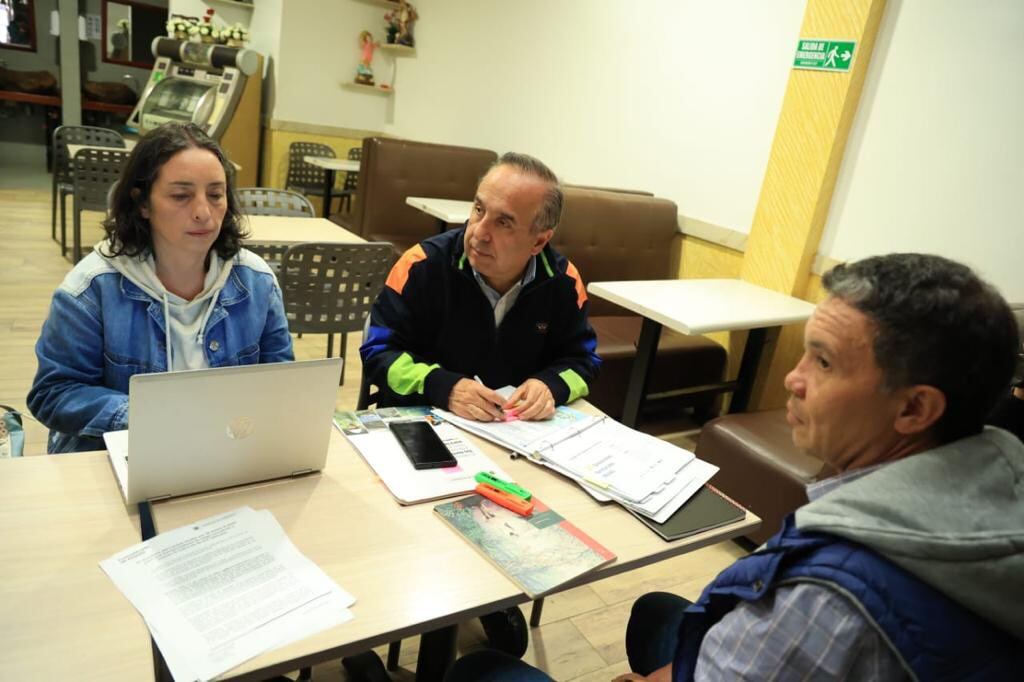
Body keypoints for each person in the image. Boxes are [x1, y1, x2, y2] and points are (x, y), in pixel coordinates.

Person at [446, 253, 1024, 681]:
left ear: (916, 408)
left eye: (822, 362)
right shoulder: (997, 479)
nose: (793, 380)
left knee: (480, 673)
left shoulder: (829, 598)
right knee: (657, 613)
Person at [28, 122, 293, 454]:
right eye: (181, 196)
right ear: (142, 203)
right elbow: (53, 393)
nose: (203, 213)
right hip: (120, 457)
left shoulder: (257, 282)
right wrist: (152, 416)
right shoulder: (90, 290)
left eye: (215, 194)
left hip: (225, 454)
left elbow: (283, 386)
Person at [360, 152, 600, 423]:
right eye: (479, 210)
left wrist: (550, 385)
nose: (478, 233)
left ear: (539, 242)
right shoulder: (420, 266)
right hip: (421, 420)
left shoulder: (564, 281)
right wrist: (443, 387)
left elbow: (584, 360)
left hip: (512, 432)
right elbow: (377, 352)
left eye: (503, 222)